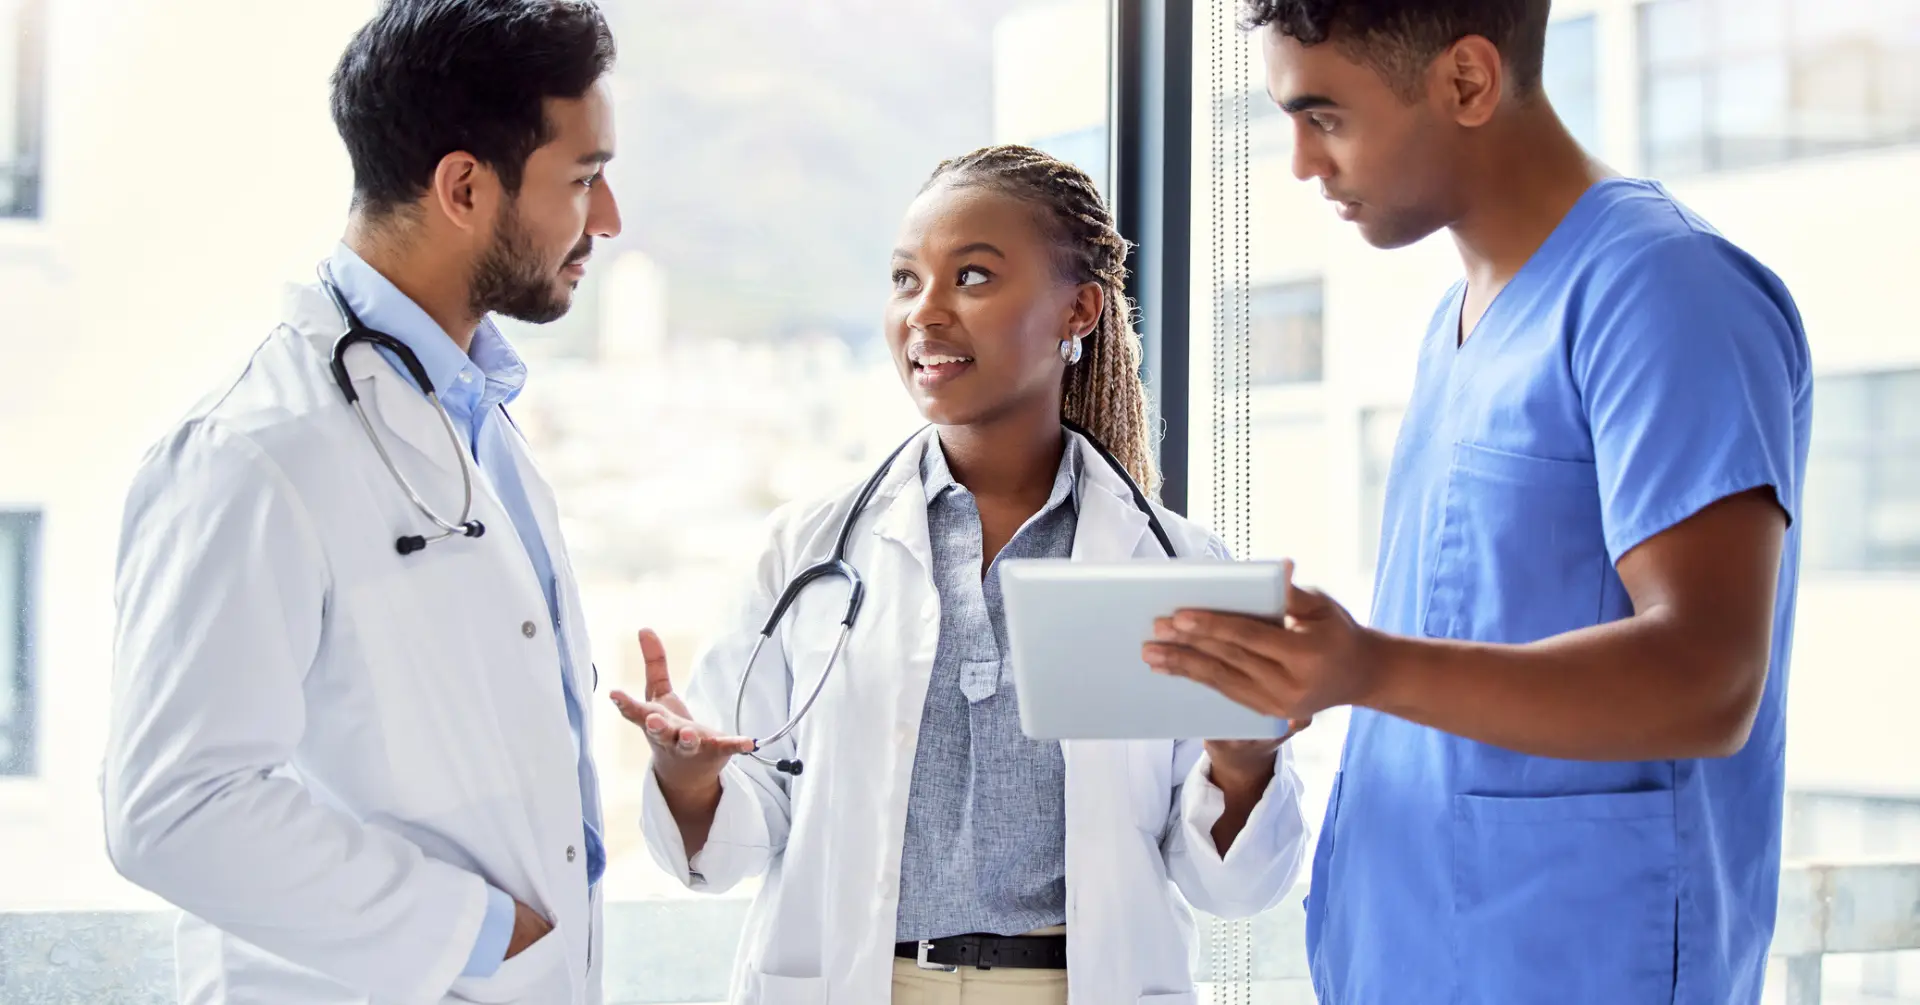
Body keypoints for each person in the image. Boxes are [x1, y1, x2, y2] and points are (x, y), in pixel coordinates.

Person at [1142, 2, 1811, 1003]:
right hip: (1405, 961)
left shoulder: (1665, 291)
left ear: (1466, 82)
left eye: (1324, 116)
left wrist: (1364, 665)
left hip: (1577, 968)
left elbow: (1709, 679)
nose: (1299, 164)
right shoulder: (1455, 326)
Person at [611, 145, 1311, 1005]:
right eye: (906, 280)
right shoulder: (808, 551)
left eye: (972, 277)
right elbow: (740, 835)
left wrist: (1244, 768)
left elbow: (1232, 888)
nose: (925, 313)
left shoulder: (1173, 566)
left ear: (1079, 310)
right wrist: (691, 781)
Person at [100, 2, 621, 1001]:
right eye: (585, 180)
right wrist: (481, 932)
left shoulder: (468, 411)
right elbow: (172, 808)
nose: (608, 221)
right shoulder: (252, 451)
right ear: (464, 186)